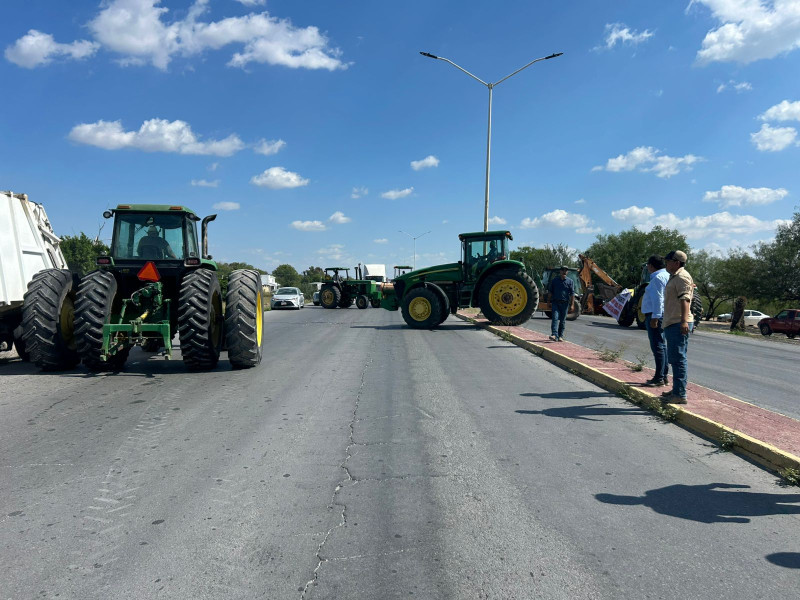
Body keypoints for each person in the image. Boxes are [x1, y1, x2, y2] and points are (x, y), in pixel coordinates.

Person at [661, 250, 694, 404]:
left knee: (679, 359)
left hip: (677, 322)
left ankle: (680, 394)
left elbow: (685, 300)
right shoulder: (675, 276)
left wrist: (684, 321)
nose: (666, 263)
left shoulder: (681, 277)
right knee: (675, 359)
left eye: (668, 261)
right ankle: (676, 390)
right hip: (672, 321)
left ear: (677, 262)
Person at [641, 255, 670, 387]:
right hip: (663, 314)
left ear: (651, 265)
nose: (647, 267)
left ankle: (659, 377)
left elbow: (658, 300)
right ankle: (663, 376)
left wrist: (655, 317)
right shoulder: (667, 276)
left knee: (657, 345)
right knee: (662, 345)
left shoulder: (657, 278)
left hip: (655, 315)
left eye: (648, 265)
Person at [548, 267, 574, 342]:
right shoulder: (555, 280)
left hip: (565, 304)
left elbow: (572, 294)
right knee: (555, 318)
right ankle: (554, 334)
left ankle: (560, 336)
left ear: (567, 272)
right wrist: (548, 302)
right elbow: (550, 292)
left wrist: (572, 305)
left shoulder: (570, 281)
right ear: (560, 271)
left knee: (562, 321)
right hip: (555, 302)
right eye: (563, 270)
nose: (564, 272)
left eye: (566, 270)